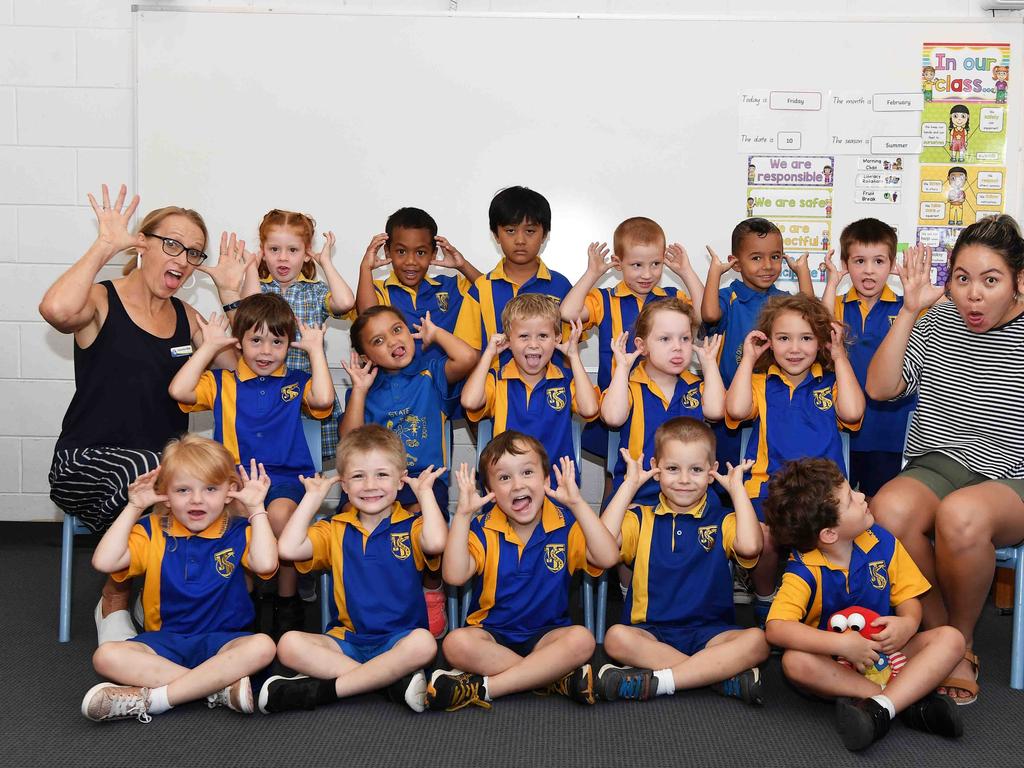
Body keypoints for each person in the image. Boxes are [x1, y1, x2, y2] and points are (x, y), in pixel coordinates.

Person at [41, 183, 253, 644]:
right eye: (171, 244)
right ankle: (114, 600)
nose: (182, 259)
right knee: (152, 473)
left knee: (218, 483)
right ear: (143, 243)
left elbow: (240, 368)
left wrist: (231, 293)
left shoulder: (188, 315)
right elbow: (56, 309)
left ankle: (170, 590)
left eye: (194, 252)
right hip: (86, 460)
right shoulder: (101, 299)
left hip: (159, 471)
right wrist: (104, 245)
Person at [865, 217, 1024, 704]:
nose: (972, 296)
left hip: (1013, 476)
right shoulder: (936, 319)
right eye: (962, 278)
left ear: (1019, 280)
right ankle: (945, 639)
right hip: (940, 461)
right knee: (886, 512)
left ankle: (961, 643)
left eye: (990, 280)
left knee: (962, 516)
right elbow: (880, 388)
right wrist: (910, 313)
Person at [764, 458, 965, 752]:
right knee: (794, 662)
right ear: (829, 534)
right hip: (836, 666)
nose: (861, 496)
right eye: (850, 499)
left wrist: (908, 624)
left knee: (952, 638)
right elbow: (776, 629)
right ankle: (900, 701)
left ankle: (881, 707)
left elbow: (910, 597)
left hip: (887, 653)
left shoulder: (882, 542)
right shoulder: (804, 569)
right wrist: (842, 645)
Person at [80, 435, 278, 723]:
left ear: (229, 492)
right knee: (106, 656)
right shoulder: (150, 530)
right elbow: (104, 561)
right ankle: (217, 689)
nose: (196, 499)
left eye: (210, 489)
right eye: (183, 490)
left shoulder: (239, 530)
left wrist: (257, 509)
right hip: (165, 642)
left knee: (263, 646)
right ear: (167, 497)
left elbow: (266, 563)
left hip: (223, 643)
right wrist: (134, 506)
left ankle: (155, 699)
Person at [169, 293, 334, 635]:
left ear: (290, 344)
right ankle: (252, 595)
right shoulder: (222, 381)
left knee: (280, 519)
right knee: (241, 521)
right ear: (240, 342)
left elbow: (324, 400)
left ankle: (286, 599)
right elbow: (179, 391)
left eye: (277, 342)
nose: (265, 351)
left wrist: (316, 351)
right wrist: (209, 348)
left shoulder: (296, 383)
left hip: (287, 478)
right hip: (234, 480)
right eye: (256, 340)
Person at [257, 425, 447, 714]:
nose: (370, 485)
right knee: (289, 644)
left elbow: (436, 542)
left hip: (400, 640)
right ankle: (387, 683)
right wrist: (311, 499)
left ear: (400, 481)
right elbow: (288, 549)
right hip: (348, 640)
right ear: (344, 485)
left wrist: (425, 495)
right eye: (358, 476)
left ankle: (323, 691)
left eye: (382, 474)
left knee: (425, 643)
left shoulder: (413, 526)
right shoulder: (335, 528)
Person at [425, 433, 620, 710]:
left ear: (546, 480)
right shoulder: (482, 528)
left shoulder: (565, 524)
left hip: (548, 635)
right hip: (492, 634)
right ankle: (552, 678)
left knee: (582, 640)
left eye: (527, 472)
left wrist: (578, 504)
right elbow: (454, 576)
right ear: (490, 491)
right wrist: (463, 516)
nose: (518, 484)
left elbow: (608, 556)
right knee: (456, 643)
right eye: (504, 478)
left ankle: (486, 687)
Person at [595, 418, 769, 705]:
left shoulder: (723, 520)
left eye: (697, 470)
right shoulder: (640, 518)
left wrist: (738, 490)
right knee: (616, 638)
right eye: (673, 469)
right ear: (656, 469)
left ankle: (662, 681)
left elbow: (750, 547)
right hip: (651, 632)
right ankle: (715, 675)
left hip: (710, 633)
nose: (685, 480)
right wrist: (629, 485)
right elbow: (601, 549)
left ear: (712, 473)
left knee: (758, 642)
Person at [725, 294, 864, 620]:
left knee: (834, 537)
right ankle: (765, 599)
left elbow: (854, 412)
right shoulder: (760, 382)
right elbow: (734, 409)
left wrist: (840, 356)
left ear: (821, 342)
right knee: (766, 538)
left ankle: (825, 609)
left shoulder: (831, 382)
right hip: (768, 488)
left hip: (825, 491)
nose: (795, 348)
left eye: (806, 338)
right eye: (783, 338)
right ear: (769, 342)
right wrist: (747, 360)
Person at [341, 305, 477, 636]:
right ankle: (372, 594)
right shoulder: (364, 391)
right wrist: (358, 390)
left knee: (426, 524)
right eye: (378, 340)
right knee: (349, 517)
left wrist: (438, 335)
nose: (393, 342)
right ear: (364, 355)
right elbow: (349, 440)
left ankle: (431, 590)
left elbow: (469, 359)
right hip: (380, 481)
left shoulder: (430, 373)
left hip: (425, 481)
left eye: (397, 329)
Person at [558, 217, 704, 458]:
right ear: (618, 263)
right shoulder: (605, 299)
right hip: (618, 400)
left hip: (665, 402)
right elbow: (567, 312)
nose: (647, 274)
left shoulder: (672, 297)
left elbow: (702, 315)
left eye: (656, 264)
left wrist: (687, 272)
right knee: (615, 466)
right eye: (637, 265)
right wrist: (592, 273)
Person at [240, 209, 353, 465]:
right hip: (266, 398)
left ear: (306, 253)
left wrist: (325, 262)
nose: (283, 258)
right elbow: (249, 309)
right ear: (262, 251)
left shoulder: (314, 292)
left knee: (308, 469)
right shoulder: (259, 287)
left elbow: (346, 302)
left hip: (309, 397)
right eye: (273, 249)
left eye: (293, 250)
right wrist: (250, 268)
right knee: (266, 466)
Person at [701, 218, 814, 468]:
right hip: (728, 403)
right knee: (726, 473)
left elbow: (810, 314)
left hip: (770, 405)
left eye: (775, 257)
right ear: (737, 263)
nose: (767, 266)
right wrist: (715, 273)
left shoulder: (782, 300)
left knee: (764, 468)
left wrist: (803, 273)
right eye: (756, 258)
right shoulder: (729, 297)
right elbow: (709, 315)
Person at [821, 219, 916, 498]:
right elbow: (820, 331)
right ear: (845, 263)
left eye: (878, 261)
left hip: (891, 430)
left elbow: (948, 310)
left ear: (892, 264)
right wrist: (831, 284)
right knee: (837, 506)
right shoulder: (836, 303)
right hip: (841, 427)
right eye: (859, 261)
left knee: (880, 506)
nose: (869, 270)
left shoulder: (906, 307)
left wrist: (916, 290)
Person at [600, 297, 724, 508]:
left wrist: (710, 365)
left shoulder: (697, 386)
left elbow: (716, 411)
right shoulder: (628, 386)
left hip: (691, 495)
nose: (677, 347)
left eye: (685, 339)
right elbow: (613, 417)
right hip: (637, 494)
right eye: (665, 339)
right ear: (642, 346)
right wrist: (622, 368)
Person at [462, 294, 597, 471]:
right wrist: (489, 354)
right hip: (509, 486)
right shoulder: (497, 380)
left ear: (556, 339)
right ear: (508, 340)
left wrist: (574, 357)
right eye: (524, 336)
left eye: (542, 336)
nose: (533, 344)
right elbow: (469, 401)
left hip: (556, 485)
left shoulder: (565, 380)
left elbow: (590, 409)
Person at [453, 186, 573, 365]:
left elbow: (569, 353)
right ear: (496, 235)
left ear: (544, 235)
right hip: (494, 390)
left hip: (551, 391)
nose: (520, 240)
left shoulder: (561, 286)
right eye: (510, 231)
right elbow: (470, 353)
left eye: (530, 231)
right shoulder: (481, 288)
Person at [354, 206, 482, 366]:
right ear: (387, 252)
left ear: (433, 254)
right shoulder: (378, 291)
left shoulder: (452, 286)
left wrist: (463, 265)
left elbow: (493, 295)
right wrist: (365, 268)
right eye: (401, 251)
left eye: (420, 253)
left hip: (450, 384)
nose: (410, 261)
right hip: (399, 387)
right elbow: (368, 320)